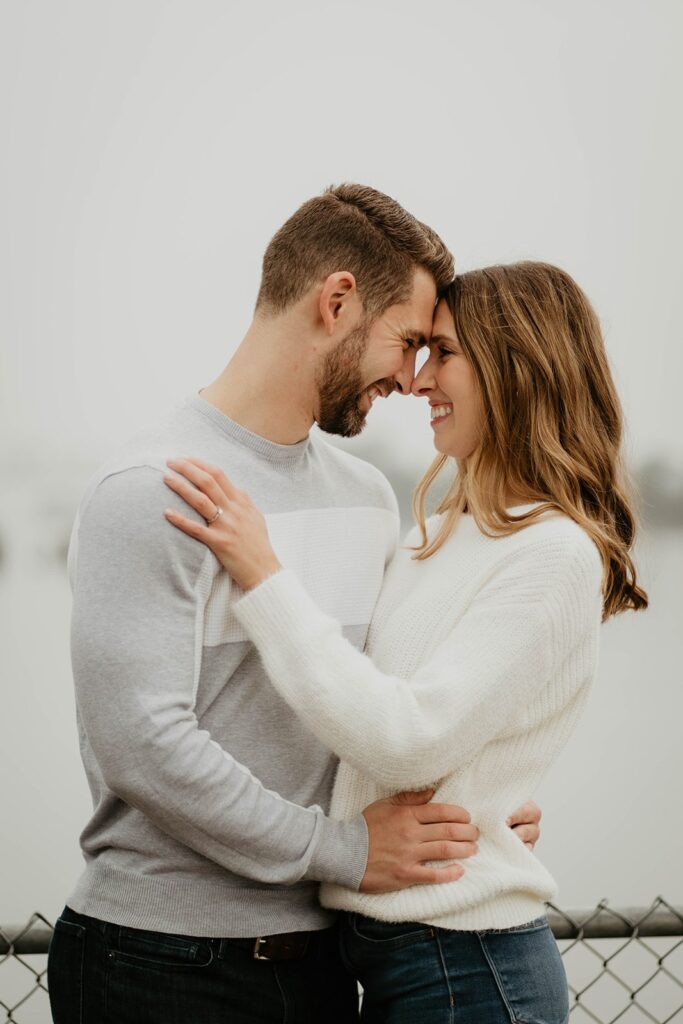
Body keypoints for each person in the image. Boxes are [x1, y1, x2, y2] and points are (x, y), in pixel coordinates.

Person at [47, 185, 541, 1024]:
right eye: (409, 341)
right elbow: (144, 745)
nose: (414, 377)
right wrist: (342, 850)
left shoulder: (366, 498)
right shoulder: (150, 490)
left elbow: (378, 703)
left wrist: (476, 802)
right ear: (337, 300)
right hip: (158, 966)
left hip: (322, 963)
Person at [164, 260, 649, 1023]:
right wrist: (484, 797)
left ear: (515, 366)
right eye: (419, 353)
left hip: (467, 967)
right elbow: (379, 705)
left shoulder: (554, 553)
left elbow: (408, 738)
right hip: (392, 956)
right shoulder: (438, 532)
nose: (418, 381)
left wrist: (262, 578)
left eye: (445, 354)